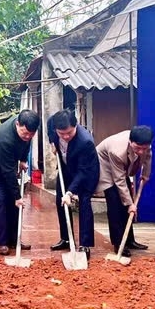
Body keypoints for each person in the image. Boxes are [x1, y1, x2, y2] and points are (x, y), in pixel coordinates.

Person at [0, 109, 40, 256]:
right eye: (25, 133)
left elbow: (27, 142)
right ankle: (3, 243)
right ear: (17, 124)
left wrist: (23, 159)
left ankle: (14, 239)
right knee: (0, 199)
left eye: (31, 134)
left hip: (6, 164)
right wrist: (18, 197)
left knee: (13, 201)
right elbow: (8, 172)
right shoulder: (4, 138)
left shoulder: (27, 131)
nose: (28, 136)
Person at [47, 109, 100, 260]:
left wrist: (70, 193)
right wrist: (52, 142)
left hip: (85, 173)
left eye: (69, 133)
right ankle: (66, 238)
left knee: (84, 203)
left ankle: (85, 244)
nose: (65, 136)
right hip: (65, 168)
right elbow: (49, 126)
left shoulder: (85, 142)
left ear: (76, 125)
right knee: (60, 202)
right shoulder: (53, 123)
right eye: (61, 133)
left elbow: (83, 172)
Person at [95, 126, 154, 258]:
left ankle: (129, 240)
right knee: (116, 203)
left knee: (127, 203)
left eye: (143, 148)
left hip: (120, 168)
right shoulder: (117, 151)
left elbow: (148, 157)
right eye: (137, 148)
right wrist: (129, 204)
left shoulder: (145, 145)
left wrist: (145, 175)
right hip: (104, 165)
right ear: (130, 142)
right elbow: (119, 180)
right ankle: (118, 243)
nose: (140, 151)